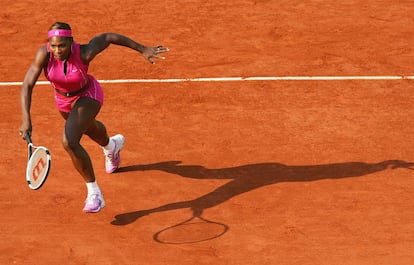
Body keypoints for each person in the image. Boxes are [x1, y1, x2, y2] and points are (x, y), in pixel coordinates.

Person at [19, 22, 169, 213]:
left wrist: (143, 49)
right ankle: (111, 146)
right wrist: (26, 118)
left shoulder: (84, 52)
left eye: (62, 45)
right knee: (89, 129)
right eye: (54, 45)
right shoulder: (44, 54)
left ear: (71, 42)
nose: (57, 50)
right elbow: (27, 85)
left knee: (69, 141)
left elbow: (109, 37)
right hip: (63, 101)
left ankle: (94, 194)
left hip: (88, 95)